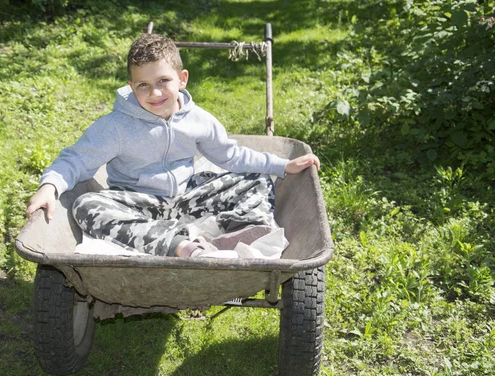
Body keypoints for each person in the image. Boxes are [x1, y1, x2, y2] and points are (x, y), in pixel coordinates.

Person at [26, 33, 320, 257]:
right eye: (143, 85)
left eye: (163, 81)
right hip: (139, 205)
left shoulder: (198, 120)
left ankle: (242, 231)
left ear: (182, 79)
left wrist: (282, 165)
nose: (154, 92)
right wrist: (49, 186)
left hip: (187, 198)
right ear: (131, 86)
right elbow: (76, 159)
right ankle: (180, 246)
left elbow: (231, 156)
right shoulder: (116, 126)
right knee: (86, 204)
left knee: (257, 180)